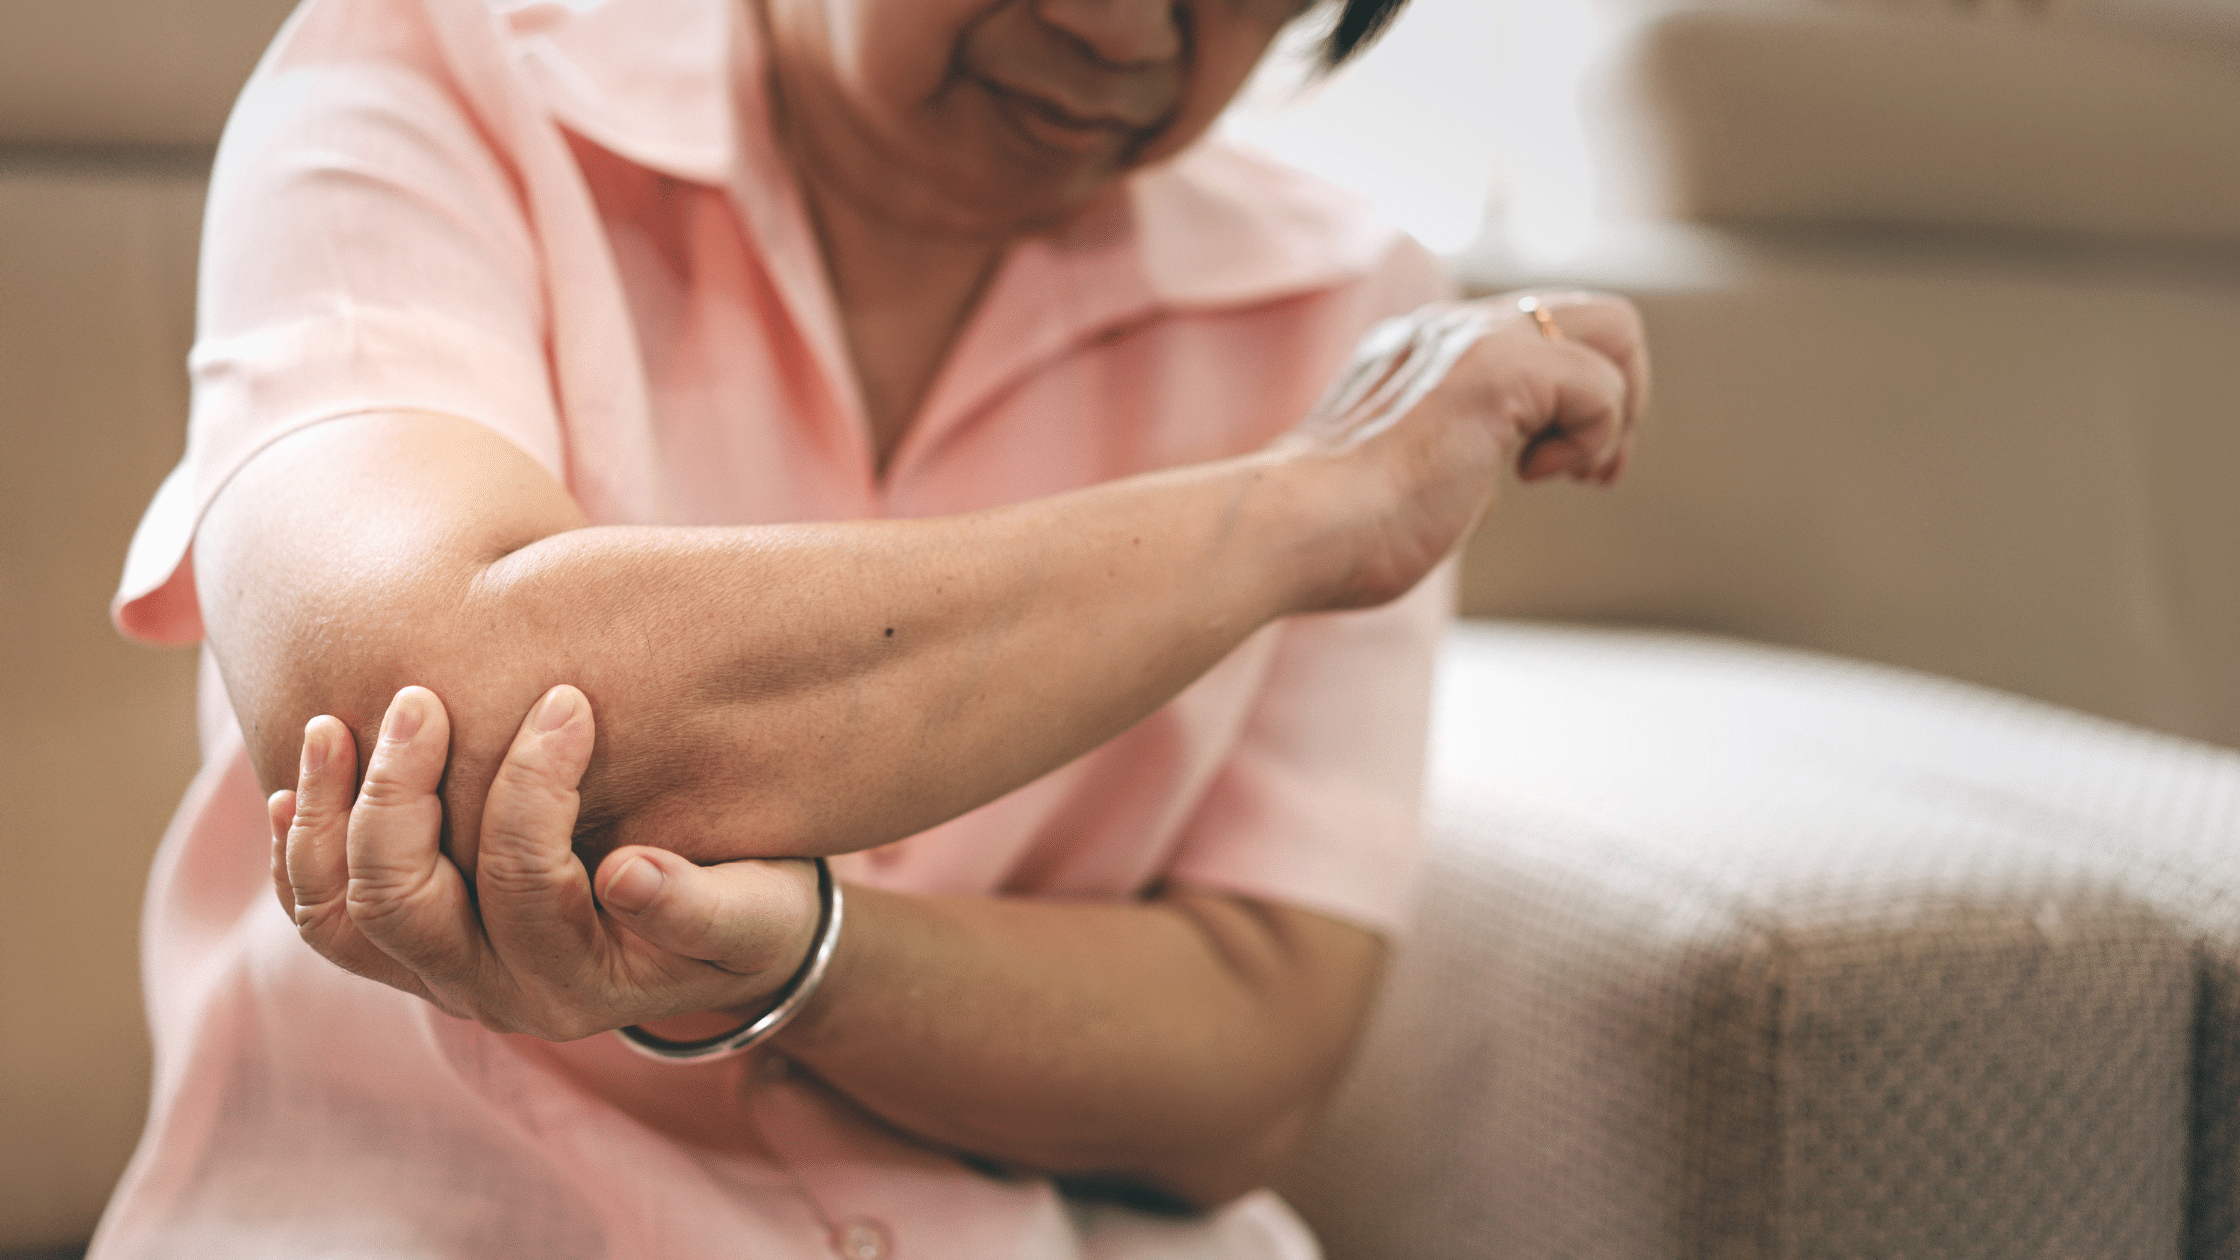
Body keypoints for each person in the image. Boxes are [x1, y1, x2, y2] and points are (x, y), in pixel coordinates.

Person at [97, 0, 1648, 1255]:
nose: (1122, 35)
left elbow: (1250, 1061)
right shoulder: (434, 75)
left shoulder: (1348, 309)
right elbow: (453, 707)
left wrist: (809, 958)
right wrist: (1299, 518)